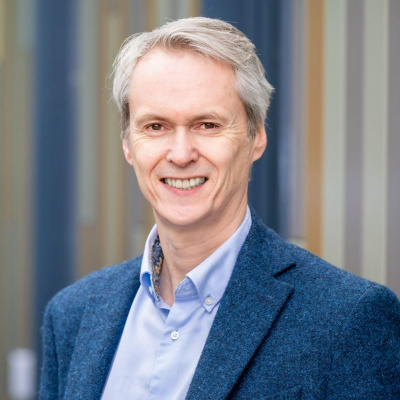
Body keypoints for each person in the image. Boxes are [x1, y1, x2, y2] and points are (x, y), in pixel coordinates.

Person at [39, 17, 400, 400]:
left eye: (207, 125)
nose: (180, 155)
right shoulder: (72, 315)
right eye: (156, 126)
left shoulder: (348, 320)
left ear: (256, 137)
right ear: (128, 144)